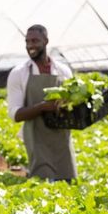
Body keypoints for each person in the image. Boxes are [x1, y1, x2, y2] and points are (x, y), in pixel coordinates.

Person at [6, 24, 77, 181]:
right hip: (36, 139)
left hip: (61, 139)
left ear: (46, 41)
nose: (30, 45)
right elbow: (15, 114)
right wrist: (43, 107)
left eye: (35, 41)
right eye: (27, 41)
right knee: (44, 183)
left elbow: (71, 104)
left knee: (68, 183)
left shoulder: (63, 71)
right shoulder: (19, 73)